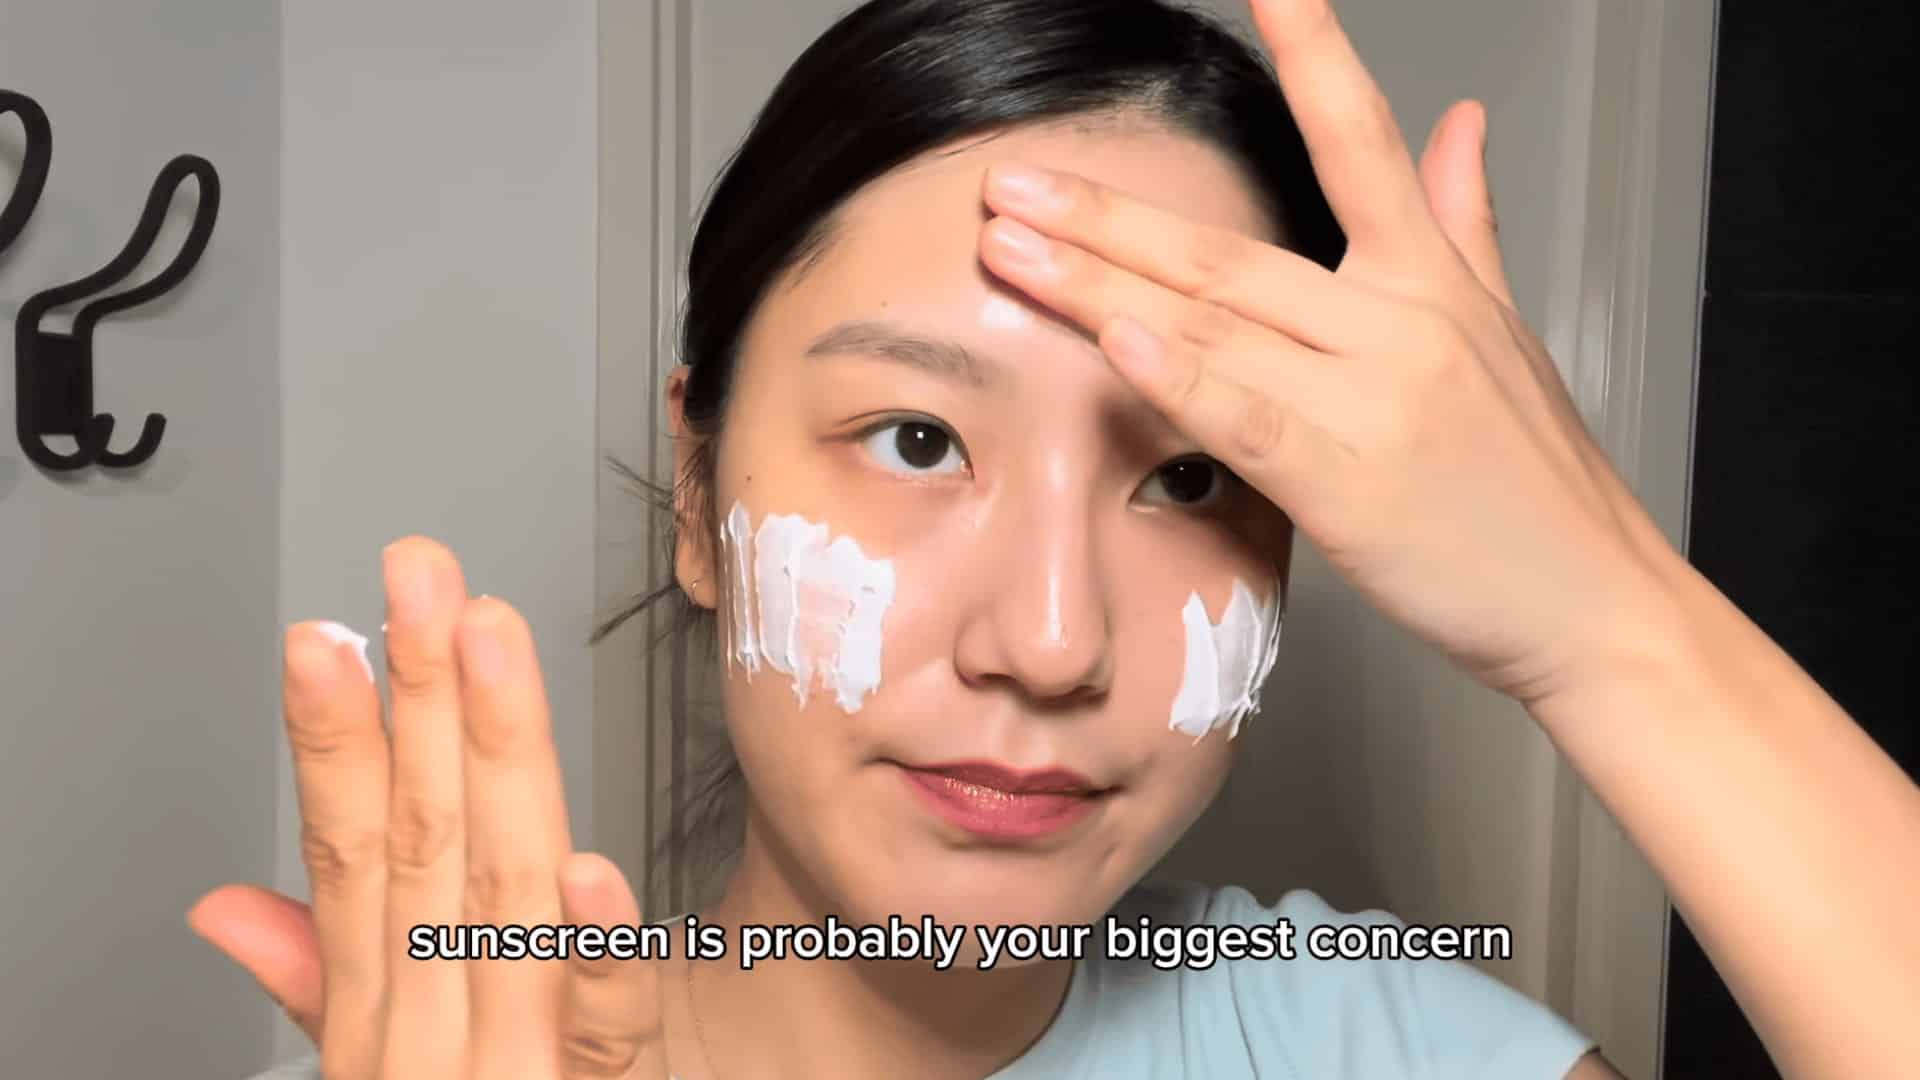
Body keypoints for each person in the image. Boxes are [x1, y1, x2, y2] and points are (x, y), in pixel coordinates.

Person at [188, 0, 1920, 1077]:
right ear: (703, 494)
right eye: (919, 439)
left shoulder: (1355, 1039)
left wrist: (1605, 619)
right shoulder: (426, 1061)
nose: (1050, 638)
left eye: (1185, 480)